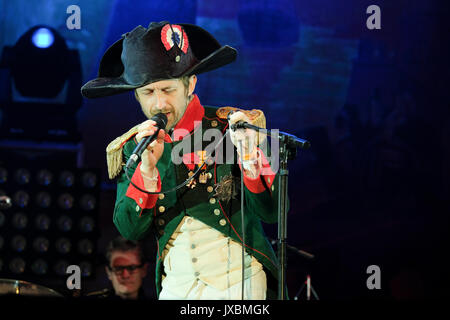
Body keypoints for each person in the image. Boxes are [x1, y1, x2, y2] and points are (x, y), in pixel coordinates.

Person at [81, 21, 282, 300]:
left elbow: (272, 212)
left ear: (190, 84)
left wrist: (249, 157)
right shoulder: (134, 148)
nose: (159, 104)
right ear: (136, 97)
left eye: (168, 90)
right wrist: (147, 171)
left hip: (239, 280)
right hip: (176, 285)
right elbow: (130, 230)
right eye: (148, 93)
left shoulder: (234, 128)